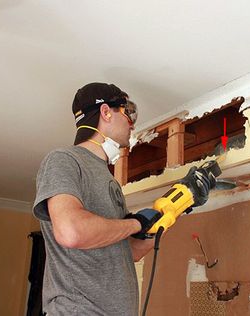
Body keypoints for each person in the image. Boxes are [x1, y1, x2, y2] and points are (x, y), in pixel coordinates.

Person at [32, 82, 161, 315]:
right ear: (105, 112)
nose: (132, 123)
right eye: (127, 113)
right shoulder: (64, 160)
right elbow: (70, 231)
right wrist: (136, 223)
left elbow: (129, 251)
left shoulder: (107, 177)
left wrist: (174, 212)